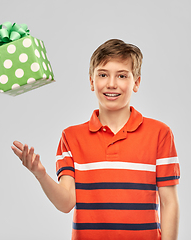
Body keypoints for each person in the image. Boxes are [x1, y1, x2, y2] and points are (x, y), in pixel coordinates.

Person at [11, 39, 180, 240]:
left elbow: (169, 202)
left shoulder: (160, 133)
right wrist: (40, 174)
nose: (111, 83)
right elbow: (66, 204)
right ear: (92, 81)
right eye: (103, 74)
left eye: (122, 75)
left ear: (136, 82)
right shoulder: (71, 137)